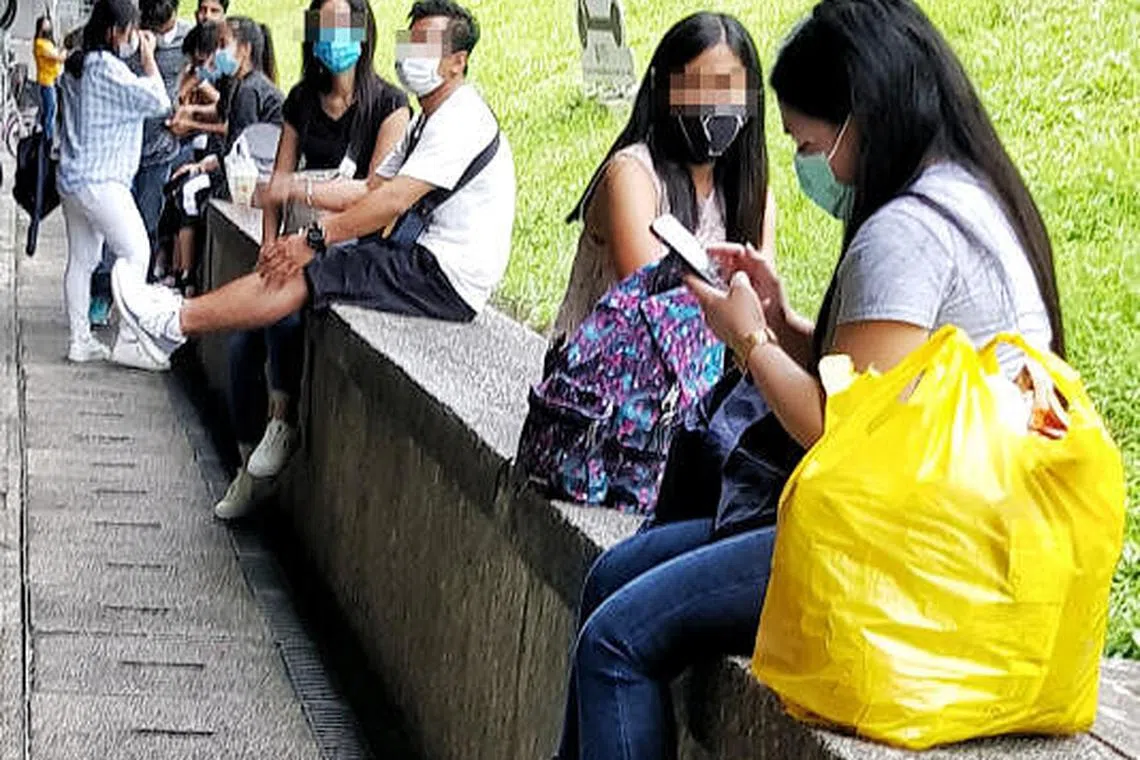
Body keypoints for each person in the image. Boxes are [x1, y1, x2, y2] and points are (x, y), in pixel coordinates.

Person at [552, 0, 1064, 757]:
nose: (808, 164)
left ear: (860, 116)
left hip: (911, 549)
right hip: (937, 517)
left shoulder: (906, 233)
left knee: (614, 643)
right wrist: (785, 322)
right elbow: (883, 380)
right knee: (612, 574)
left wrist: (750, 340)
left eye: (809, 143)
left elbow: (839, 428)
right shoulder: (970, 195)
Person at [111, 0, 516, 377]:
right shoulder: (422, 120)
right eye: (410, 41)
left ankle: (173, 323)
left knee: (308, 272)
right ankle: (176, 317)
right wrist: (294, 213)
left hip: (444, 276)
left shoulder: (459, 119)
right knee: (296, 271)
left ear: (458, 62)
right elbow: (369, 189)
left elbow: (391, 201)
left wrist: (315, 238)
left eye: (426, 45)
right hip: (420, 257)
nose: (412, 54)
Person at [213, 0, 411, 519]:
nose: (332, 37)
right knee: (240, 345)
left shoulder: (390, 106)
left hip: (346, 249)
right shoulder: (302, 99)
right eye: (322, 26)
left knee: (284, 313)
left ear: (363, 32)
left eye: (341, 25)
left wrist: (303, 190)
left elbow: (375, 193)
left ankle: (283, 418)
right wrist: (268, 243)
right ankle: (247, 466)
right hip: (294, 239)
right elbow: (275, 186)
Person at [554, 12, 771, 343]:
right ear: (664, 90)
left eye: (729, 91)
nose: (714, 106)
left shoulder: (752, 195)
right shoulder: (632, 176)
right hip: (607, 369)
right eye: (697, 88)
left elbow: (763, 308)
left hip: (702, 370)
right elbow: (655, 312)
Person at [57, 0, 172, 369]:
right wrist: (149, 58)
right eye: (130, 31)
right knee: (137, 252)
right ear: (114, 32)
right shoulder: (105, 68)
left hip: (72, 179)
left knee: (82, 260)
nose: (134, 38)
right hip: (103, 181)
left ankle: (80, 341)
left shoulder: (76, 64)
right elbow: (159, 102)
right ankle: (128, 340)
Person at [88, 0, 193, 326]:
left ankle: (134, 301)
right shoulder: (126, 38)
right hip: (120, 155)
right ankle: (102, 294)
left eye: (163, 29)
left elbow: (204, 73)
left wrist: (186, 111)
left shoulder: (186, 39)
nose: (155, 35)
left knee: (146, 225)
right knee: (111, 229)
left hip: (159, 152)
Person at [164, 16, 282, 293]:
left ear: (245, 49)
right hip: (247, 171)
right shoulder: (243, 85)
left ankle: (188, 279)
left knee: (192, 194)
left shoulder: (250, 91)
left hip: (254, 178)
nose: (218, 53)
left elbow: (241, 149)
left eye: (223, 45)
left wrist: (204, 166)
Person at [33, 16, 67, 146]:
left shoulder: (48, 43)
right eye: (46, 25)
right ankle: (48, 142)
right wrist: (64, 51)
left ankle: (46, 140)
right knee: (50, 113)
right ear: (40, 28)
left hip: (52, 81)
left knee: (50, 112)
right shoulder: (40, 44)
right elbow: (58, 57)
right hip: (46, 82)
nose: (49, 27)